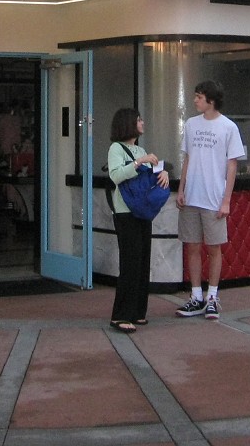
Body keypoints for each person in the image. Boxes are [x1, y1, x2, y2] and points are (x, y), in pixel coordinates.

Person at [175, 80, 245, 320]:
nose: (195, 100)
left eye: (199, 97)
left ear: (210, 100)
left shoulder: (228, 127)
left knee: (214, 248)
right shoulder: (191, 125)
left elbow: (232, 165)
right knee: (192, 246)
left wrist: (226, 200)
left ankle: (212, 297)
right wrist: (181, 189)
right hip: (192, 195)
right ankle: (196, 296)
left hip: (214, 197)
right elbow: (187, 158)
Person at [106, 107, 168, 333]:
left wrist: (163, 172)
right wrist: (138, 162)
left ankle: (138, 311)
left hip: (142, 211)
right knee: (130, 262)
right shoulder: (116, 149)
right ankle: (120, 315)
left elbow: (154, 171)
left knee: (142, 261)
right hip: (125, 212)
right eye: (139, 120)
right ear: (128, 124)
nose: (142, 123)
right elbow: (115, 175)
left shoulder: (139, 148)